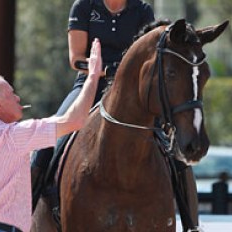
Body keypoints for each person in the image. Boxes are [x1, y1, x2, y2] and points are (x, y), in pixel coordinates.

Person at [0, 38, 102, 232]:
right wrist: (93, 77)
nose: (17, 98)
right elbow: (75, 120)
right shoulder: (13, 135)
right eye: (11, 94)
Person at [30, 0, 156, 208]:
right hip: (90, 84)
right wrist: (106, 71)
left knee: (171, 142)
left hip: (132, 91)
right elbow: (76, 59)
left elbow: (148, 54)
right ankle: (32, 205)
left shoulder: (142, 10)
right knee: (52, 136)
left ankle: (189, 218)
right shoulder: (83, 6)